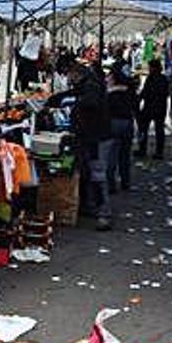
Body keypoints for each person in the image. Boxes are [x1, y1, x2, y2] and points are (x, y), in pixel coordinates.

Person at [49, 64, 112, 230]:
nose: (68, 79)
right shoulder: (86, 84)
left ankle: (103, 214)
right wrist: (58, 97)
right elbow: (74, 93)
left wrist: (71, 101)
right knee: (86, 172)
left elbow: (89, 102)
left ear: (75, 74)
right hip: (88, 136)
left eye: (69, 75)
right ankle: (88, 206)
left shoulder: (92, 86)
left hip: (97, 137)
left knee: (97, 174)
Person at [106, 68, 138, 192]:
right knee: (125, 156)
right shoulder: (129, 89)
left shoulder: (110, 92)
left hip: (113, 123)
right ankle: (125, 183)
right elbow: (135, 106)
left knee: (112, 156)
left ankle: (111, 185)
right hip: (127, 123)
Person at [136, 59, 170, 159]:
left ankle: (144, 150)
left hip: (151, 107)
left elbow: (145, 92)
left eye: (150, 67)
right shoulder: (163, 79)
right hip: (159, 108)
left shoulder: (152, 78)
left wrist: (139, 99)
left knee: (145, 129)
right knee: (158, 130)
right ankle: (158, 152)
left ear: (155, 68)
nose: (149, 69)